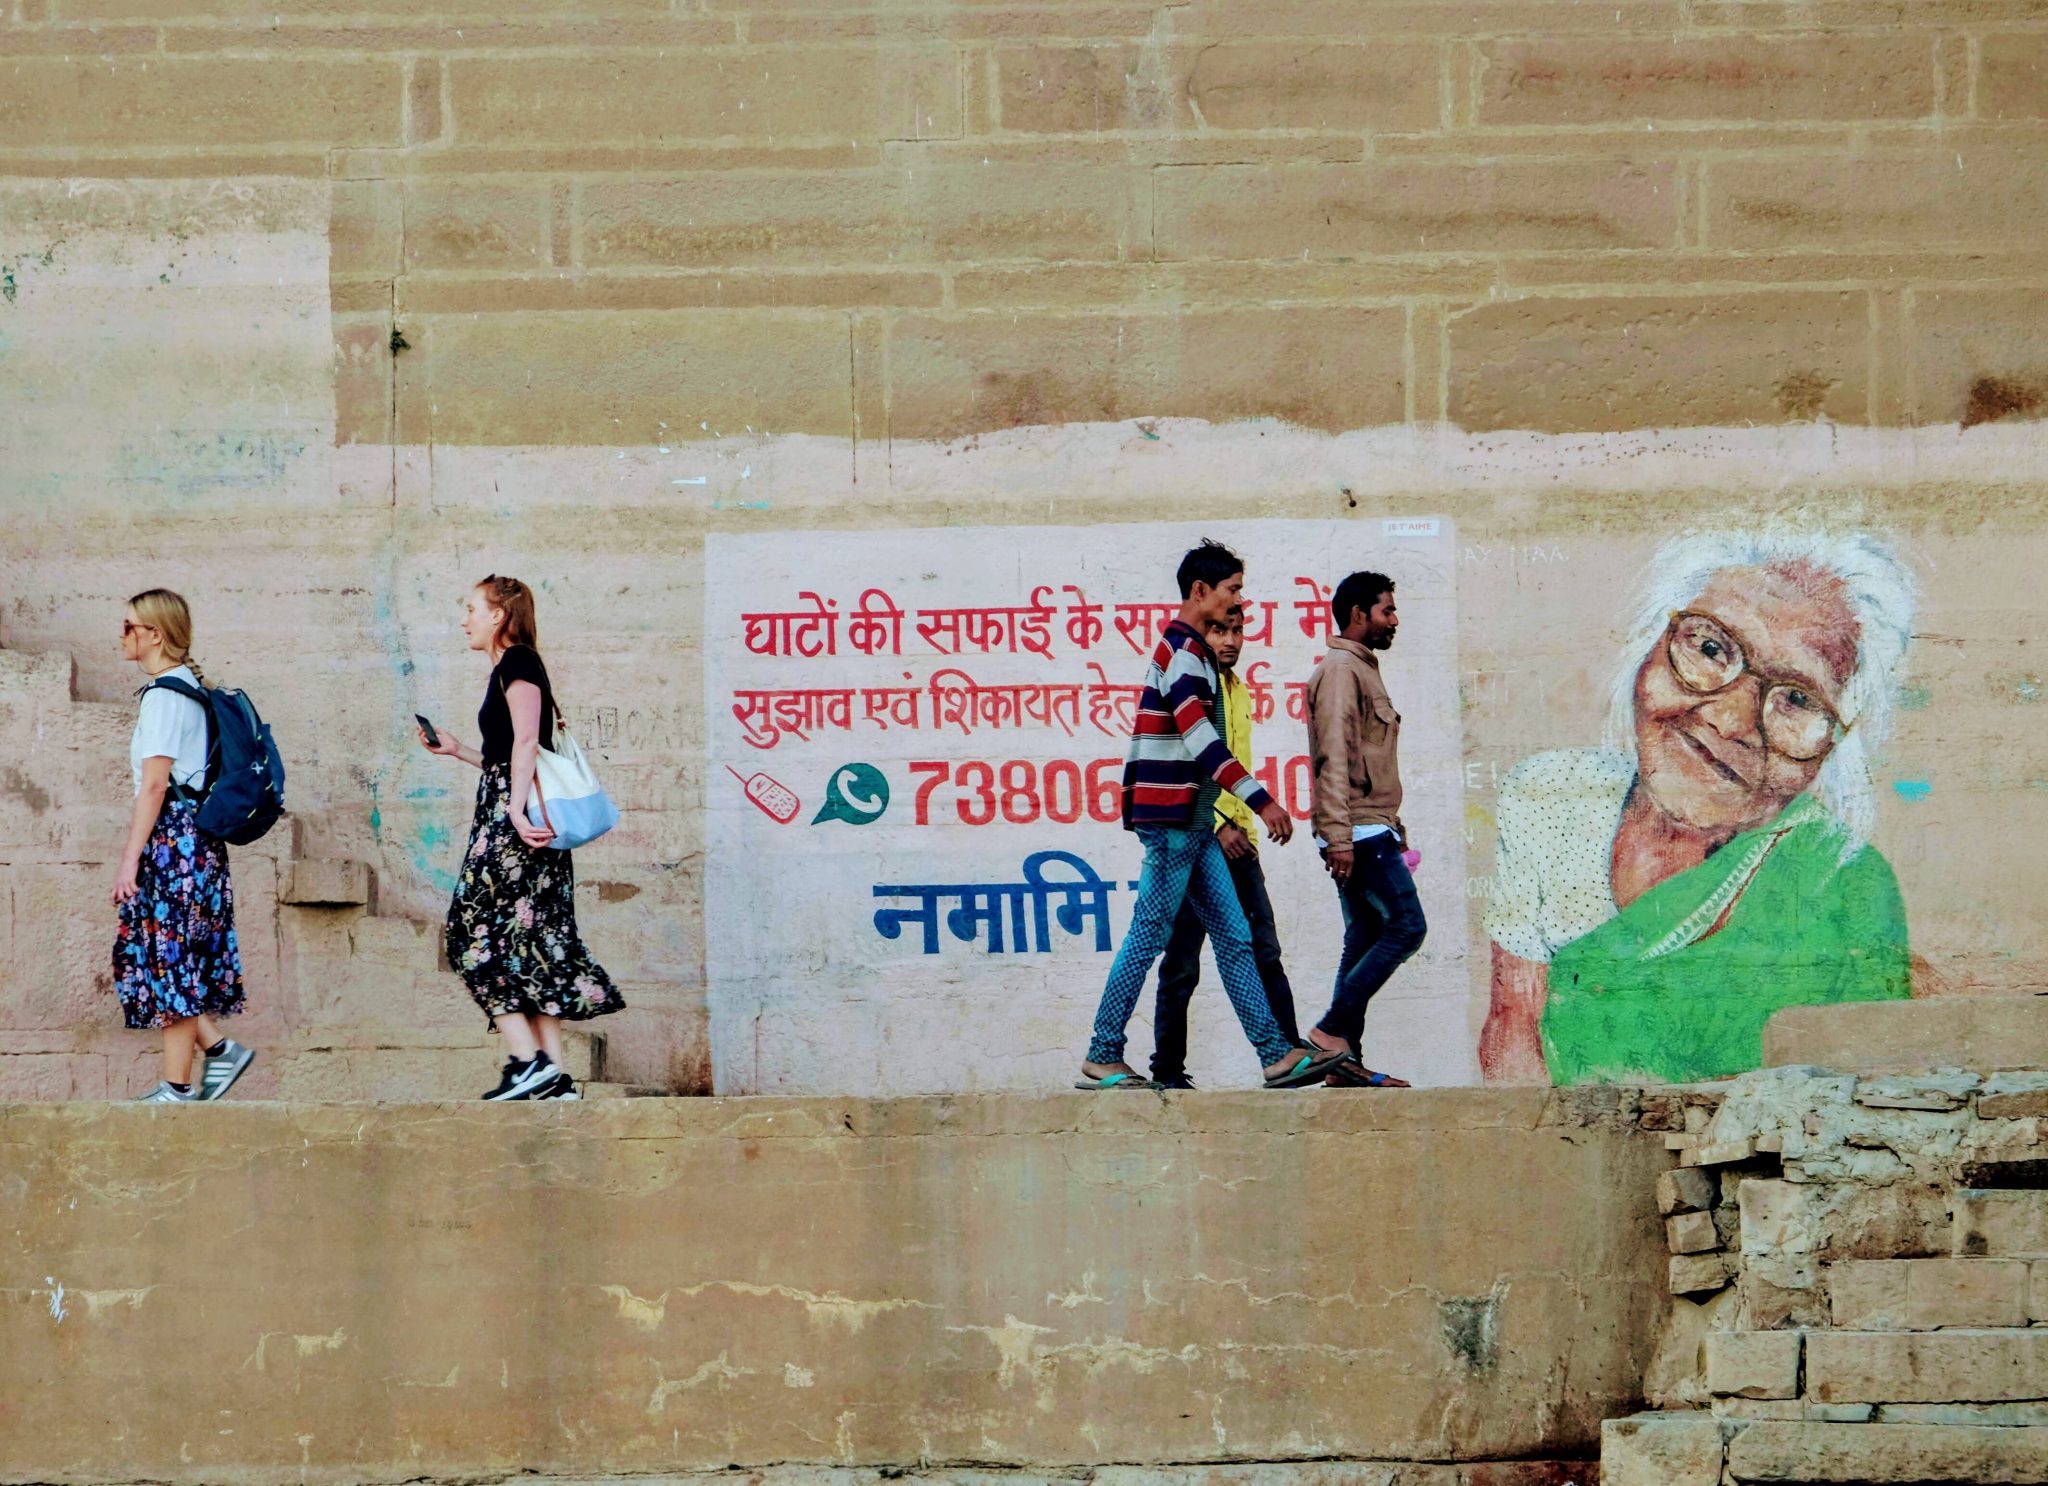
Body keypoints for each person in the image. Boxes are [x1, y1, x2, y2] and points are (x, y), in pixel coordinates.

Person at [1480, 528, 1915, 1086]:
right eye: (1709, 649)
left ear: (1835, 743)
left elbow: (1858, 1106)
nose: (1729, 722)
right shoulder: (1551, 797)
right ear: (1651, 646)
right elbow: (1514, 1028)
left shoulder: (1845, 884)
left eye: (1799, 700)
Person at [1079, 540, 1343, 1092]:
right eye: (1232, 591)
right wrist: (1261, 799)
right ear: (1200, 592)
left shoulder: (1191, 652)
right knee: (1149, 939)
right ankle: (1103, 1054)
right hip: (1174, 822)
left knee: (1235, 938)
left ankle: (1273, 1053)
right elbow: (1201, 739)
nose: (1236, 602)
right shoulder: (1183, 654)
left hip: (1192, 823)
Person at [418, 574, 622, 1101]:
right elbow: (511, 751)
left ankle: (525, 1059)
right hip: (519, 813)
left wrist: (511, 809)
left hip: (515, 821)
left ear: (498, 616)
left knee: (468, 934)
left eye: (471, 608)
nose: (464, 619)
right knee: (533, 941)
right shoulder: (509, 669)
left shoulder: (519, 663)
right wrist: (459, 750)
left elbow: (529, 738)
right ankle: (552, 1076)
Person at [1146, 605, 1301, 1089]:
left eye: (1237, 630)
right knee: (1182, 963)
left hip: (1242, 843)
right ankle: (1168, 1071)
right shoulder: (1190, 680)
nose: (1230, 640)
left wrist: (1244, 826)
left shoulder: (1237, 689)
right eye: (1219, 630)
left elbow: (1235, 761)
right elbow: (1190, 758)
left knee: (1263, 950)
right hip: (1201, 838)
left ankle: (1288, 1056)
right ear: (1202, 631)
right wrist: (1216, 825)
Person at [111, 589, 255, 1103]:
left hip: (173, 842)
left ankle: (176, 1085)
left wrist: (130, 858)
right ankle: (219, 1051)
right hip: (195, 841)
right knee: (167, 956)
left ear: (155, 634)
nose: (121, 635)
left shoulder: (167, 696)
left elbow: (154, 786)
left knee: (171, 959)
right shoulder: (185, 688)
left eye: (129, 627)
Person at [1301, 571, 1422, 1088]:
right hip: (1358, 832)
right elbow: (1333, 757)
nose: (1394, 620)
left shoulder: (1362, 670)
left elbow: (1370, 758)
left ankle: (1343, 1064)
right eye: (1386, 611)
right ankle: (1330, 1031)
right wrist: (1340, 837)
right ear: (1358, 614)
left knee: (1365, 937)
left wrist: (1394, 824)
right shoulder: (1340, 671)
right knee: (1407, 927)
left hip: (1374, 828)